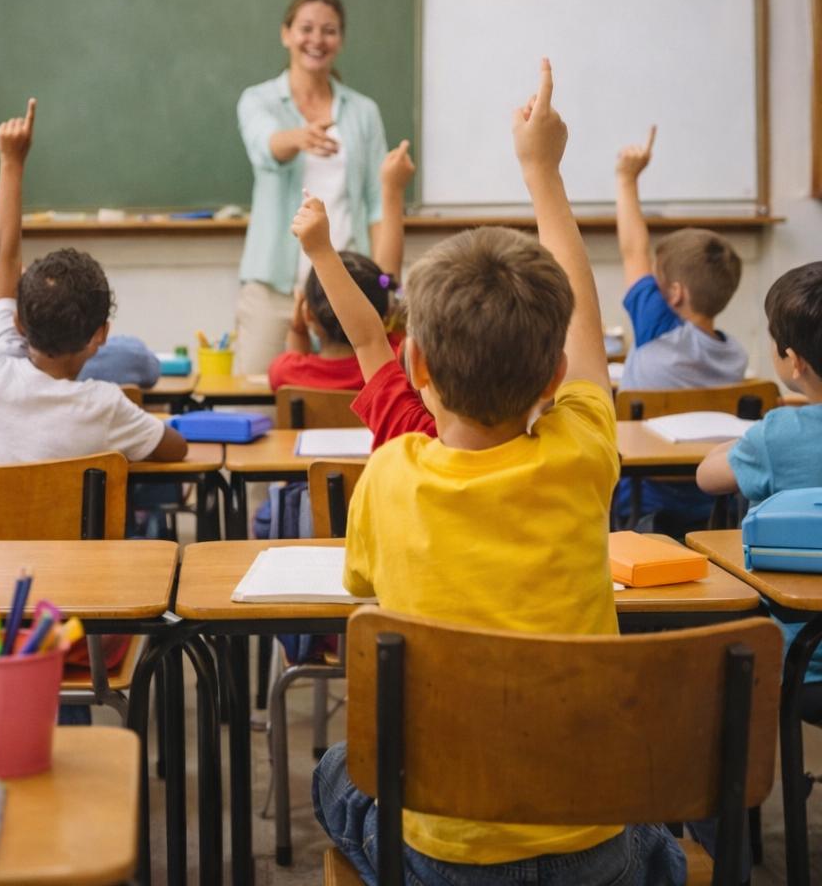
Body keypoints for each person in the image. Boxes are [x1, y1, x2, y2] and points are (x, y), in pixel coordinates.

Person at [302, 60, 685, 884]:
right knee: (656, 828)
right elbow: (583, 327)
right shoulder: (582, 455)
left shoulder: (391, 478)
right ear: (555, 379)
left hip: (443, 854)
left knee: (333, 771)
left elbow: (360, 581)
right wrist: (542, 173)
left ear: (416, 365)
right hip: (592, 845)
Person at [0, 100, 186, 466]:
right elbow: (176, 448)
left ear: (18, 323)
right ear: (101, 334)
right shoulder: (104, 407)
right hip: (60, 528)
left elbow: (5, 255)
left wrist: (11, 162)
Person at [235, 0, 400, 375]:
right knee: (258, 390)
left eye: (328, 31)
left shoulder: (362, 112)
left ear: (340, 40)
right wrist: (299, 137)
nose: (316, 40)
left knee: (355, 402)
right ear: (286, 34)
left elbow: (378, 204)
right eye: (305, 28)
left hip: (345, 285)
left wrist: (385, 284)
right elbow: (266, 146)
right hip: (274, 285)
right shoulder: (258, 100)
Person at [697, 261, 822, 712]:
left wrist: (747, 438)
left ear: (792, 360)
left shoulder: (777, 434)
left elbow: (707, 478)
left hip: (802, 661)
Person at [613, 126, 746, 530]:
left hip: (642, 507)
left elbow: (633, 249)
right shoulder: (736, 357)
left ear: (674, 294)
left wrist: (626, 179)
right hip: (716, 512)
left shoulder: (658, 327)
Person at [0, 183, 160, 388]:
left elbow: (7, 270)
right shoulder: (122, 371)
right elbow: (149, 367)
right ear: (100, 334)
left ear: (19, 323)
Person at [267, 141, 413, 392]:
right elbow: (388, 283)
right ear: (386, 315)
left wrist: (298, 331)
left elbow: (291, 365)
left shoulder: (287, 373)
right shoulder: (396, 364)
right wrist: (392, 190)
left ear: (308, 313)